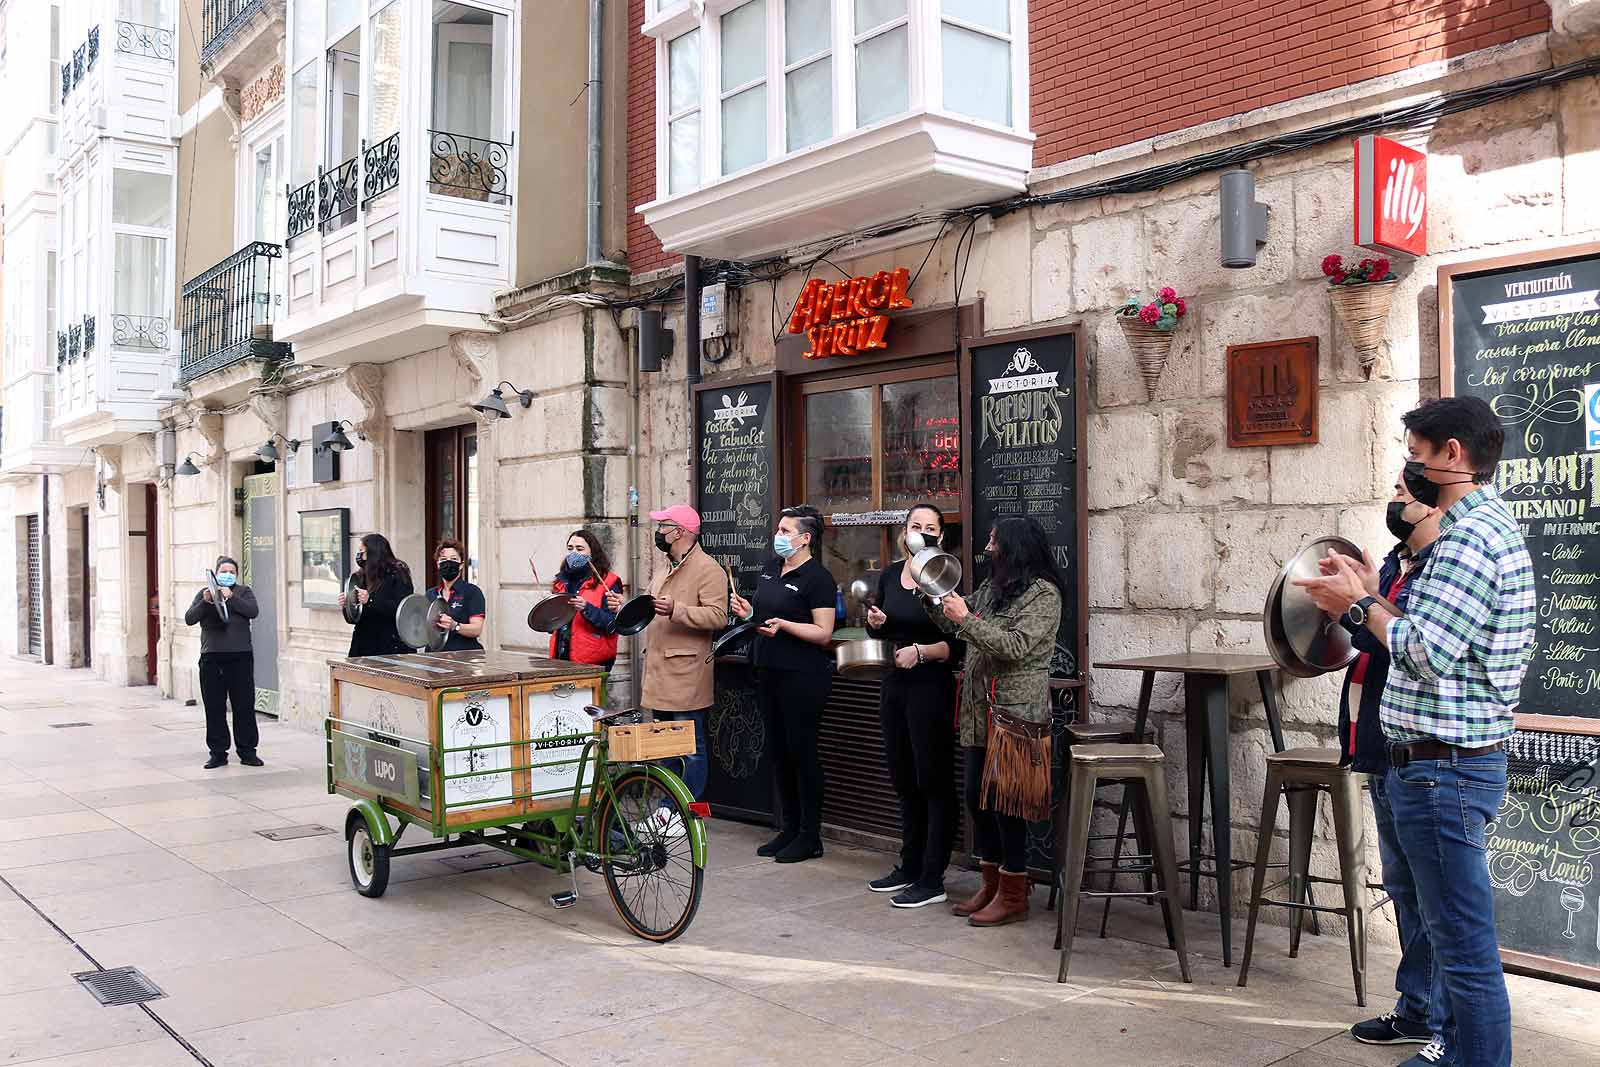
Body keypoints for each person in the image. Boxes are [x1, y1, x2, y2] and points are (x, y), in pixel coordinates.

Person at [1296, 396, 1534, 1067]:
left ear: (1452, 455)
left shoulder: (1469, 539)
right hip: (1439, 765)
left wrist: (1363, 603)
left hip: (1444, 770)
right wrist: (1371, 597)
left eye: (1416, 453)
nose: (1410, 467)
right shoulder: (1475, 533)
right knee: (1449, 930)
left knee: (1462, 942)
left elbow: (1427, 650)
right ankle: (1456, 1050)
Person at [1339, 478, 1455, 1060]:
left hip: (1418, 747)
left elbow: (1402, 643)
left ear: (1431, 501)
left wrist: (1361, 604)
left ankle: (1438, 1019)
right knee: (1404, 885)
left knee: (1432, 895)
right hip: (1380, 744)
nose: (1391, 499)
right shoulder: (1394, 563)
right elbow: (1365, 633)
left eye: (1400, 490)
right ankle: (1416, 1007)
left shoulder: (1439, 568)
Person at [930, 517, 1062, 927]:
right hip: (978, 712)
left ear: (1014, 546)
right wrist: (933, 597)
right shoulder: (992, 588)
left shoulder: (1044, 595)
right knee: (977, 797)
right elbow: (958, 625)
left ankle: (1014, 891)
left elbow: (1015, 646)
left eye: (993, 539)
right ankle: (990, 883)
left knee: (1008, 804)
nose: (988, 545)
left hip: (1015, 715)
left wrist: (965, 618)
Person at [607, 505, 727, 834]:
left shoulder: (708, 569)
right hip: (660, 671)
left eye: (665, 525)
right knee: (666, 746)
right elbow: (650, 606)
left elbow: (718, 616)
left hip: (687, 672)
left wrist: (678, 610)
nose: (659, 531)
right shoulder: (663, 566)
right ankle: (667, 810)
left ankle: (687, 812)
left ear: (682, 532)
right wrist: (626, 607)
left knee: (692, 746)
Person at [864, 504, 959, 908]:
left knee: (933, 780)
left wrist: (921, 652)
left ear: (941, 536)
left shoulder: (944, 576)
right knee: (903, 778)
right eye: (915, 526)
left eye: (930, 527)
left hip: (929, 687)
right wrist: (875, 621)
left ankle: (932, 877)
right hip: (894, 684)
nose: (921, 532)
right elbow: (878, 624)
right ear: (904, 533)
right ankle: (910, 864)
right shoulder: (889, 574)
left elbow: (958, 642)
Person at [730, 505, 838, 863]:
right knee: (778, 754)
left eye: (786, 531)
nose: (779, 536)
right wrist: (748, 614)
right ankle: (788, 828)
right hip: (768, 669)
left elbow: (824, 632)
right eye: (778, 529)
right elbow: (764, 619)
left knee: (801, 754)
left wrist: (788, 626)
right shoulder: (770, 569)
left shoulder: (818, 578)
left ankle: (810, 835)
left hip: (803, 676)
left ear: (806, 538)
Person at [183, 557, 262, 769]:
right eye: (223, 570)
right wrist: (205, 601)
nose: (227, 573)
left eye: (231, 571)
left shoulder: (243, 592)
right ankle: (218, 752)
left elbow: (252, 611)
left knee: (244, 705)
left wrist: (232, 597)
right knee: (214, 707)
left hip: (240, 656)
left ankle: (247, 751)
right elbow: (190, 618)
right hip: (212, 657)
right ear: (216, 573)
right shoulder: (204, 594)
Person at [548, 529, 622, 669]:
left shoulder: (608, 582)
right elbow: (554, 625)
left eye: (580, 549)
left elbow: (613, 624)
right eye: (570, 548)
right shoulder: (561, 581)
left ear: (592, 553)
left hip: (593, 661)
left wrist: (586, 608)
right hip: (560, 658)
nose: (573, 553)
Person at [339, 533, 415, 656]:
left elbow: (403, 608)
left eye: (362, 552)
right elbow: (355, 617)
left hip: (389, 645)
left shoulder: (397, 573)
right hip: (364, 643)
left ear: (373, 553)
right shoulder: (360, 576)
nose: (359, 556)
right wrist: (347, 604)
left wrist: (370, 600)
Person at [427, 537, 486, 652]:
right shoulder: (431, 594)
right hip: (434, 657)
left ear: (461, 565)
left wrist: (455, 626)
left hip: (463, 658)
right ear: (438, 564)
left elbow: (477, 629)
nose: (448, 563)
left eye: (453, 559)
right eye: (443, 559)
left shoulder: (472, 592)